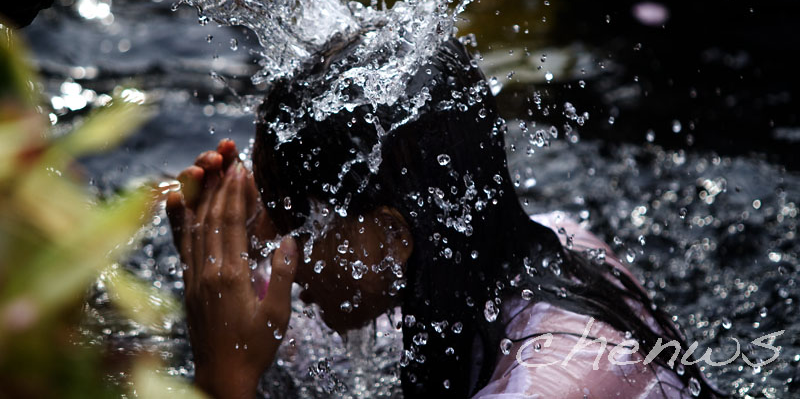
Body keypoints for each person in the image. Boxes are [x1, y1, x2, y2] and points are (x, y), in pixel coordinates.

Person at [166, 38, 720, 398]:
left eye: (289, 217)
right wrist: (214, 274)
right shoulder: (547, 242)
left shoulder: (552, 384)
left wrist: (225, 378)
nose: (264, 241)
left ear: (390, 236)